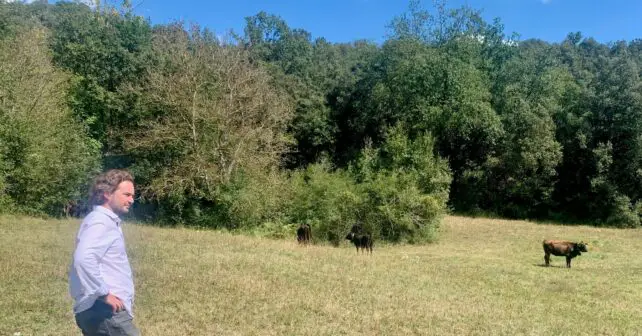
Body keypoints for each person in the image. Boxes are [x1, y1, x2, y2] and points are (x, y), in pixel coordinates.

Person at [69, 169, 140, 335]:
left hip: (101, 310)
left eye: (132, 196)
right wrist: (103, 294)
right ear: (107, 194)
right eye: (126, 195)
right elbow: (83, 258)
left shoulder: (105, 221)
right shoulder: (100, 222)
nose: (131, 200)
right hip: (104, 311)